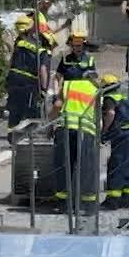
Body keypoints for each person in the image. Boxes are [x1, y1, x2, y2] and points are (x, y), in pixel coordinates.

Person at [51, 72, 100, 208]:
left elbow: (56, 106)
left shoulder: (69, 85)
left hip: (65, 129)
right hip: (86, 131)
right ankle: (87, 203)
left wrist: (49, 126)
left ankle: (63, 203)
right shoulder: (96, 91)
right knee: (86, 168)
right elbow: (98, 117)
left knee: (64, 166)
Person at [99, 73, 129, 210]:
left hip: (122, 136)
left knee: (116, 166)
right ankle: (126, 200)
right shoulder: (123, 97)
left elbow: (110, 114)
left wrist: (104, 131)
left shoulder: (109, 98)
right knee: (128, 167)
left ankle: (112, 201)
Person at [5, 15, 43, 129]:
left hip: (13, 80)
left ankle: (12, 136)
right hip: (28, 83)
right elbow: (42, 68)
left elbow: (10, 60)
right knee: (29, 111)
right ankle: (27, 136)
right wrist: (43, 88)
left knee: (14, 111)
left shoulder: (17, 41)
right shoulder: (34, 45)